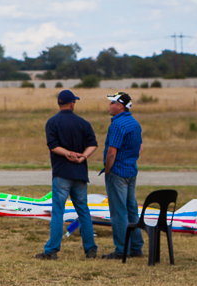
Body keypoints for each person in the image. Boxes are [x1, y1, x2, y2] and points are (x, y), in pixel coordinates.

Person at [36, 90, 98, 260]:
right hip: (80, 173)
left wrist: (67, 154)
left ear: (59, 104)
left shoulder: (52, 122)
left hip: (62, 172)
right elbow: (93, 144)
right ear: (72, 104)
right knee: (83, 211)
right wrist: (82, 156)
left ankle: (51, 250)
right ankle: (90, 249)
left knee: (58, 212)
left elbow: (53, 146)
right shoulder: (83, 123)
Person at [101, 92, 144, 260]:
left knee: (118, 212)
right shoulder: (134, 123)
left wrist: (107, 169)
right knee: (132, 209)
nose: (109, 106)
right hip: (131, 171)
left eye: (112, 103)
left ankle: (121, 249)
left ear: (120, 105)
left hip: (117, 172)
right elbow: (140, 147)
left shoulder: (117, 125)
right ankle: (136, 246)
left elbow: (112, 152)